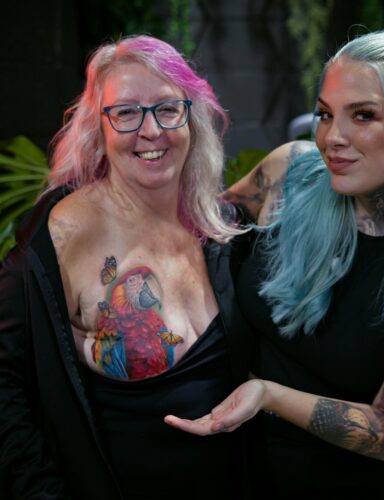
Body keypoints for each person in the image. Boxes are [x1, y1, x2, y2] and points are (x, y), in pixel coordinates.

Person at [165, 29, 384, 499]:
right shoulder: (289, 176)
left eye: (363, 115)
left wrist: (268, 395)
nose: (332, 138)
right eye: (325, 114)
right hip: (236, 472)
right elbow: (197, 230)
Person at [0, 35, 254, 499]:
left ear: (191, 118)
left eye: (167, 108)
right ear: (98, 127)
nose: (151, 130)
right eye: (126, 112)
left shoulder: (220, 227)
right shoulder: (61, 235)